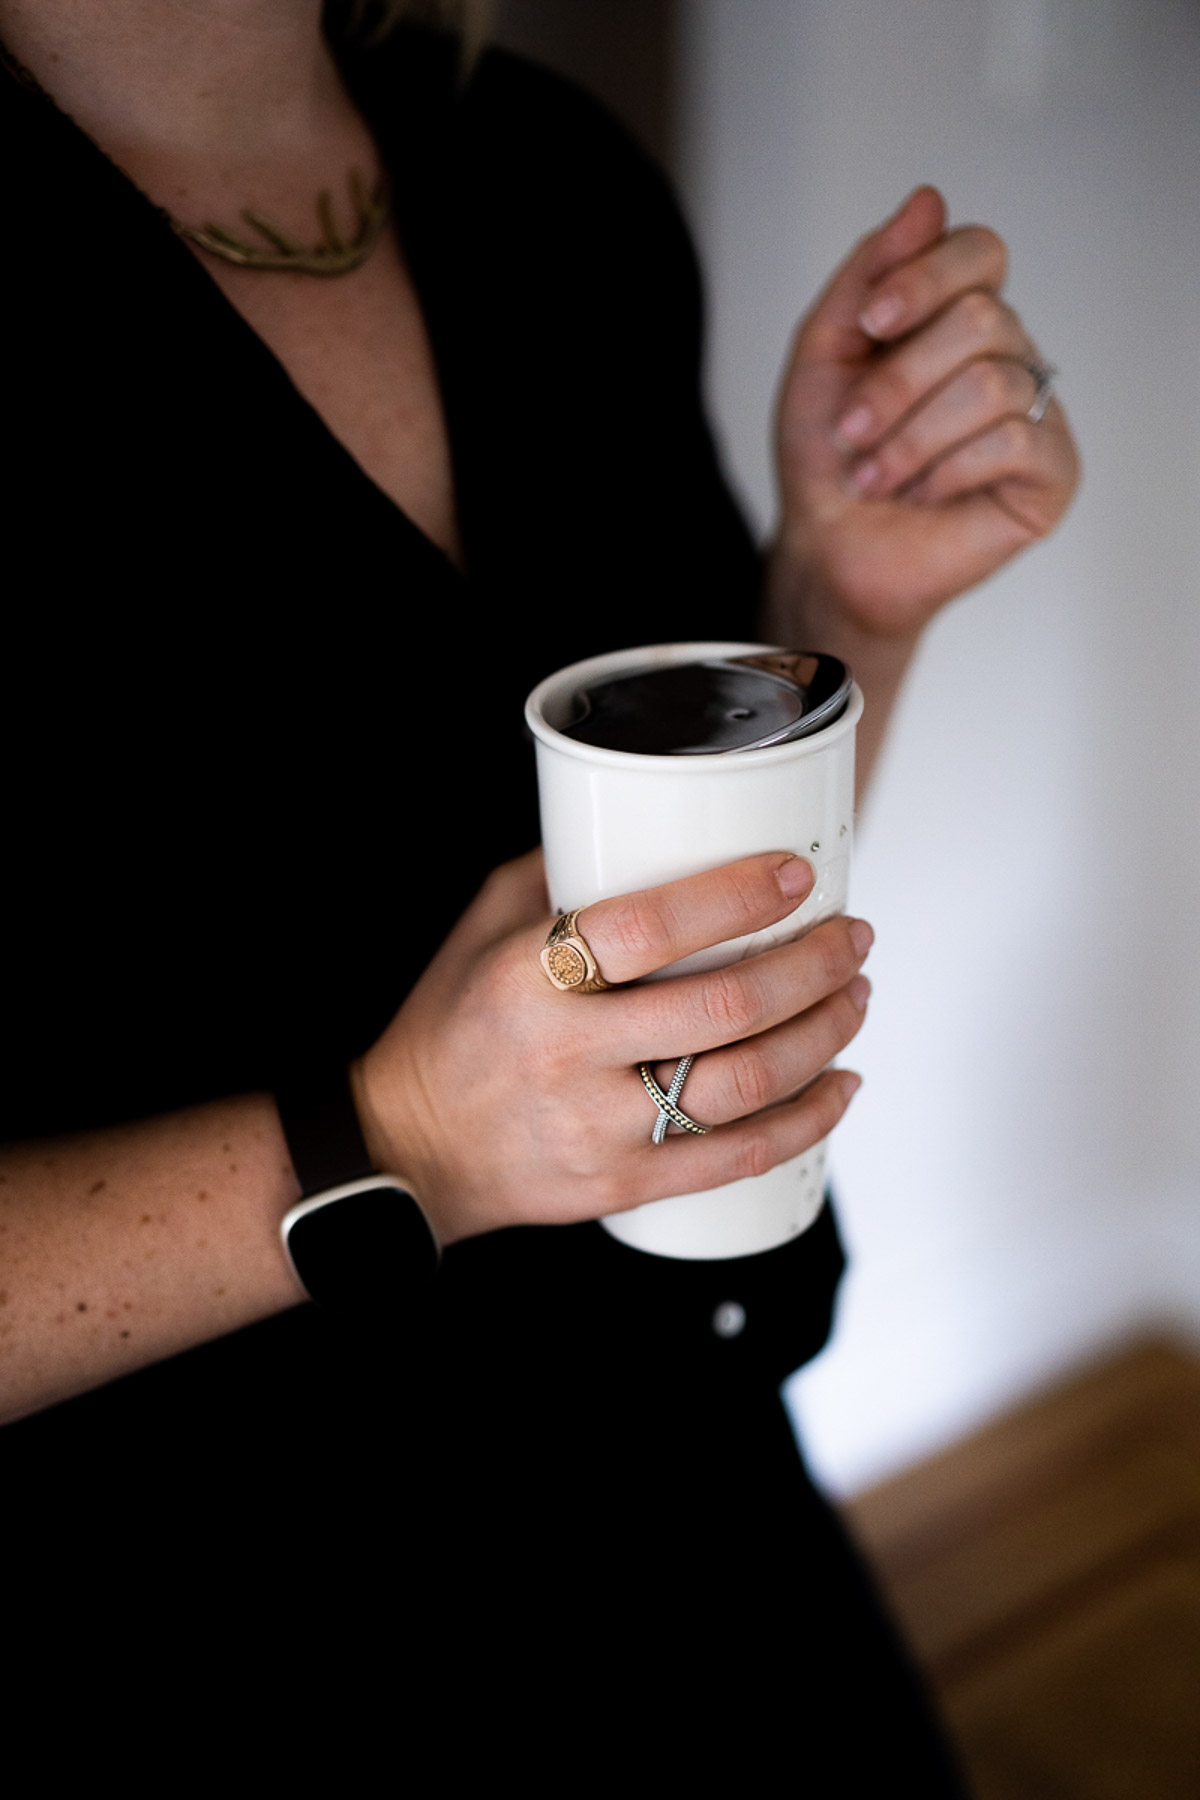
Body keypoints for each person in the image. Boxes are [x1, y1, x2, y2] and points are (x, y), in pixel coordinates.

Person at [0, 0, 1077, 1778]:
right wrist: (392, 1143)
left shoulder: (555, 186)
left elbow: (670, 923)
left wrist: (841, 604)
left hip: (690, 1513)